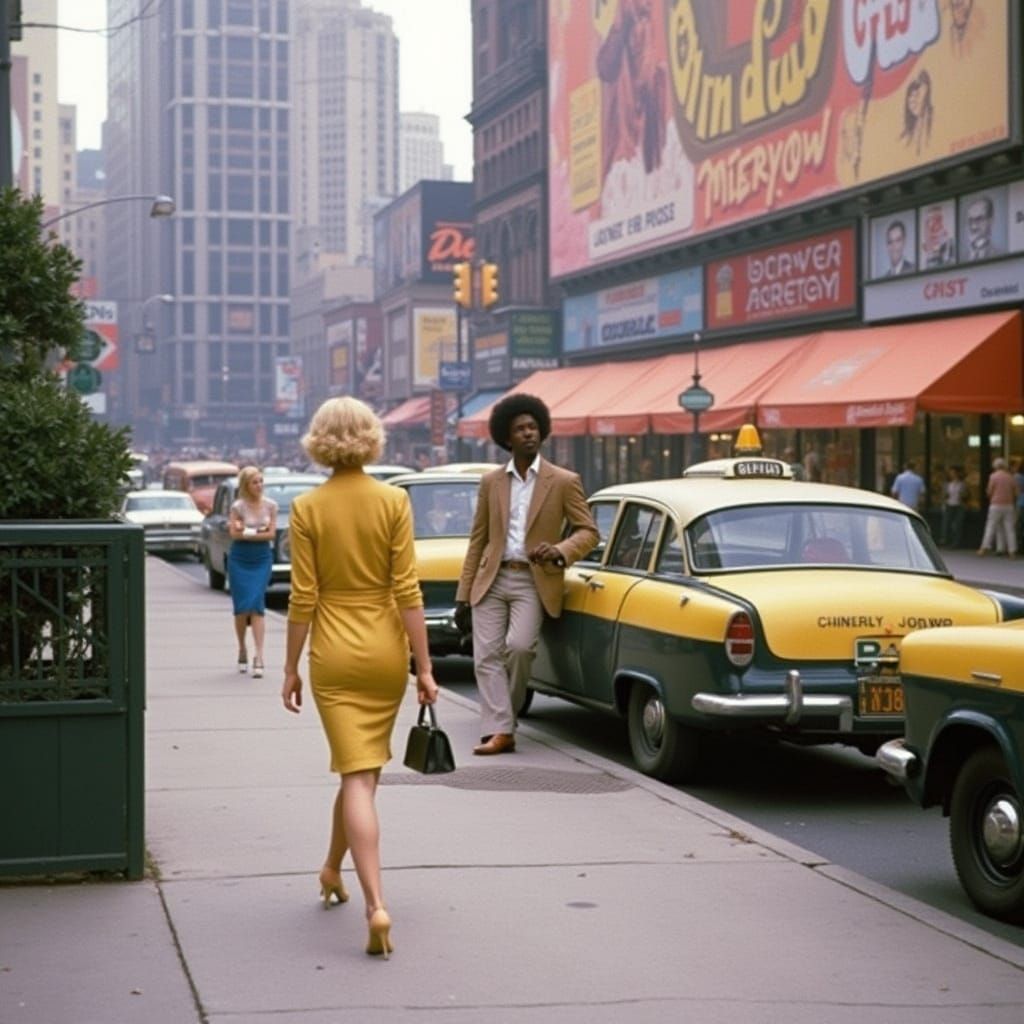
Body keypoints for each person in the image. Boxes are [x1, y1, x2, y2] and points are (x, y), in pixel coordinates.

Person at [281, 396, 438, 960]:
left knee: (355, 776)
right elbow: (408, 592)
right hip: (384, 651)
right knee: (360, 774)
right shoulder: (394, 500)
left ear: (319, 440)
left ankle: (375, 903)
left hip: (332, 652)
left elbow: (303, 597)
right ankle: (330, 869)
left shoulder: (306, 507)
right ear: (371, 437)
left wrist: (289, 668)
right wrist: (423, 667)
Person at [454, 394, 599, 756]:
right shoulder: (491, 482)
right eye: (520, 429)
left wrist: (560, 551)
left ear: (542, 431)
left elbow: (588, 531)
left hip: (533, 580)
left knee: (519, 649)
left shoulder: (564, 481)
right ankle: (502, 729)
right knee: (485, 655)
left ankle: (505, 718)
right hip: (492, 577)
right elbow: (478, 540)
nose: (528, 434)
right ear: (507, 437)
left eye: (533, 427)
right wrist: (462, 594)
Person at [228, 466, 277, 677]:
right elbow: (234, 534)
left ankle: (259, 656)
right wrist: (258, 532)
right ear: (246, 485)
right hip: (240, 558)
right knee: (241, 608)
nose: (259, 486)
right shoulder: (238, 507)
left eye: (261, 481)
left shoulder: (271, 505)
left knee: (256, 605)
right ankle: (242, 649)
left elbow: (272, 535)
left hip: (261, 559)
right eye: (254, 482)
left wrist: (249, 532)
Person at [977, 456, 1019, 557]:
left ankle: (984, 548)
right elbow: (1016, 491)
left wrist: (989, 494)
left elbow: (989, 491)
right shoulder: (1010, 476)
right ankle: (1011, 551)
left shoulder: (993, 476)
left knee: (991, 526)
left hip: (996, 504)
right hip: (1008, 505)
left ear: (995, 466)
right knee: (1009, 528)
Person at [899, 70, 933, 155]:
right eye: (911, 99)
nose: (914, 101)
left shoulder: (930, 117)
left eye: (918, 95)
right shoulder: (906, 135)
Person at [963, 195, 1004, 262]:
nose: (973, 226)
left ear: (990, 221)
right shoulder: (963, 258)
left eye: (979, 219)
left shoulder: (1000, 255)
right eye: (970, 220)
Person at [939, 465, 968, 548]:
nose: (952, 475)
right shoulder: (947, 484)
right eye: (951, 473)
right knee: (946, 523)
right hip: (949, 505)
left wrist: (962, 496)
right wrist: (944, 502)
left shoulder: (962, 484)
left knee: (957, 524)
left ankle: (955, 543)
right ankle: (945, 540)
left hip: (959, 506)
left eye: (954, 473)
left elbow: (966, 495)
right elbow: (943, 495)